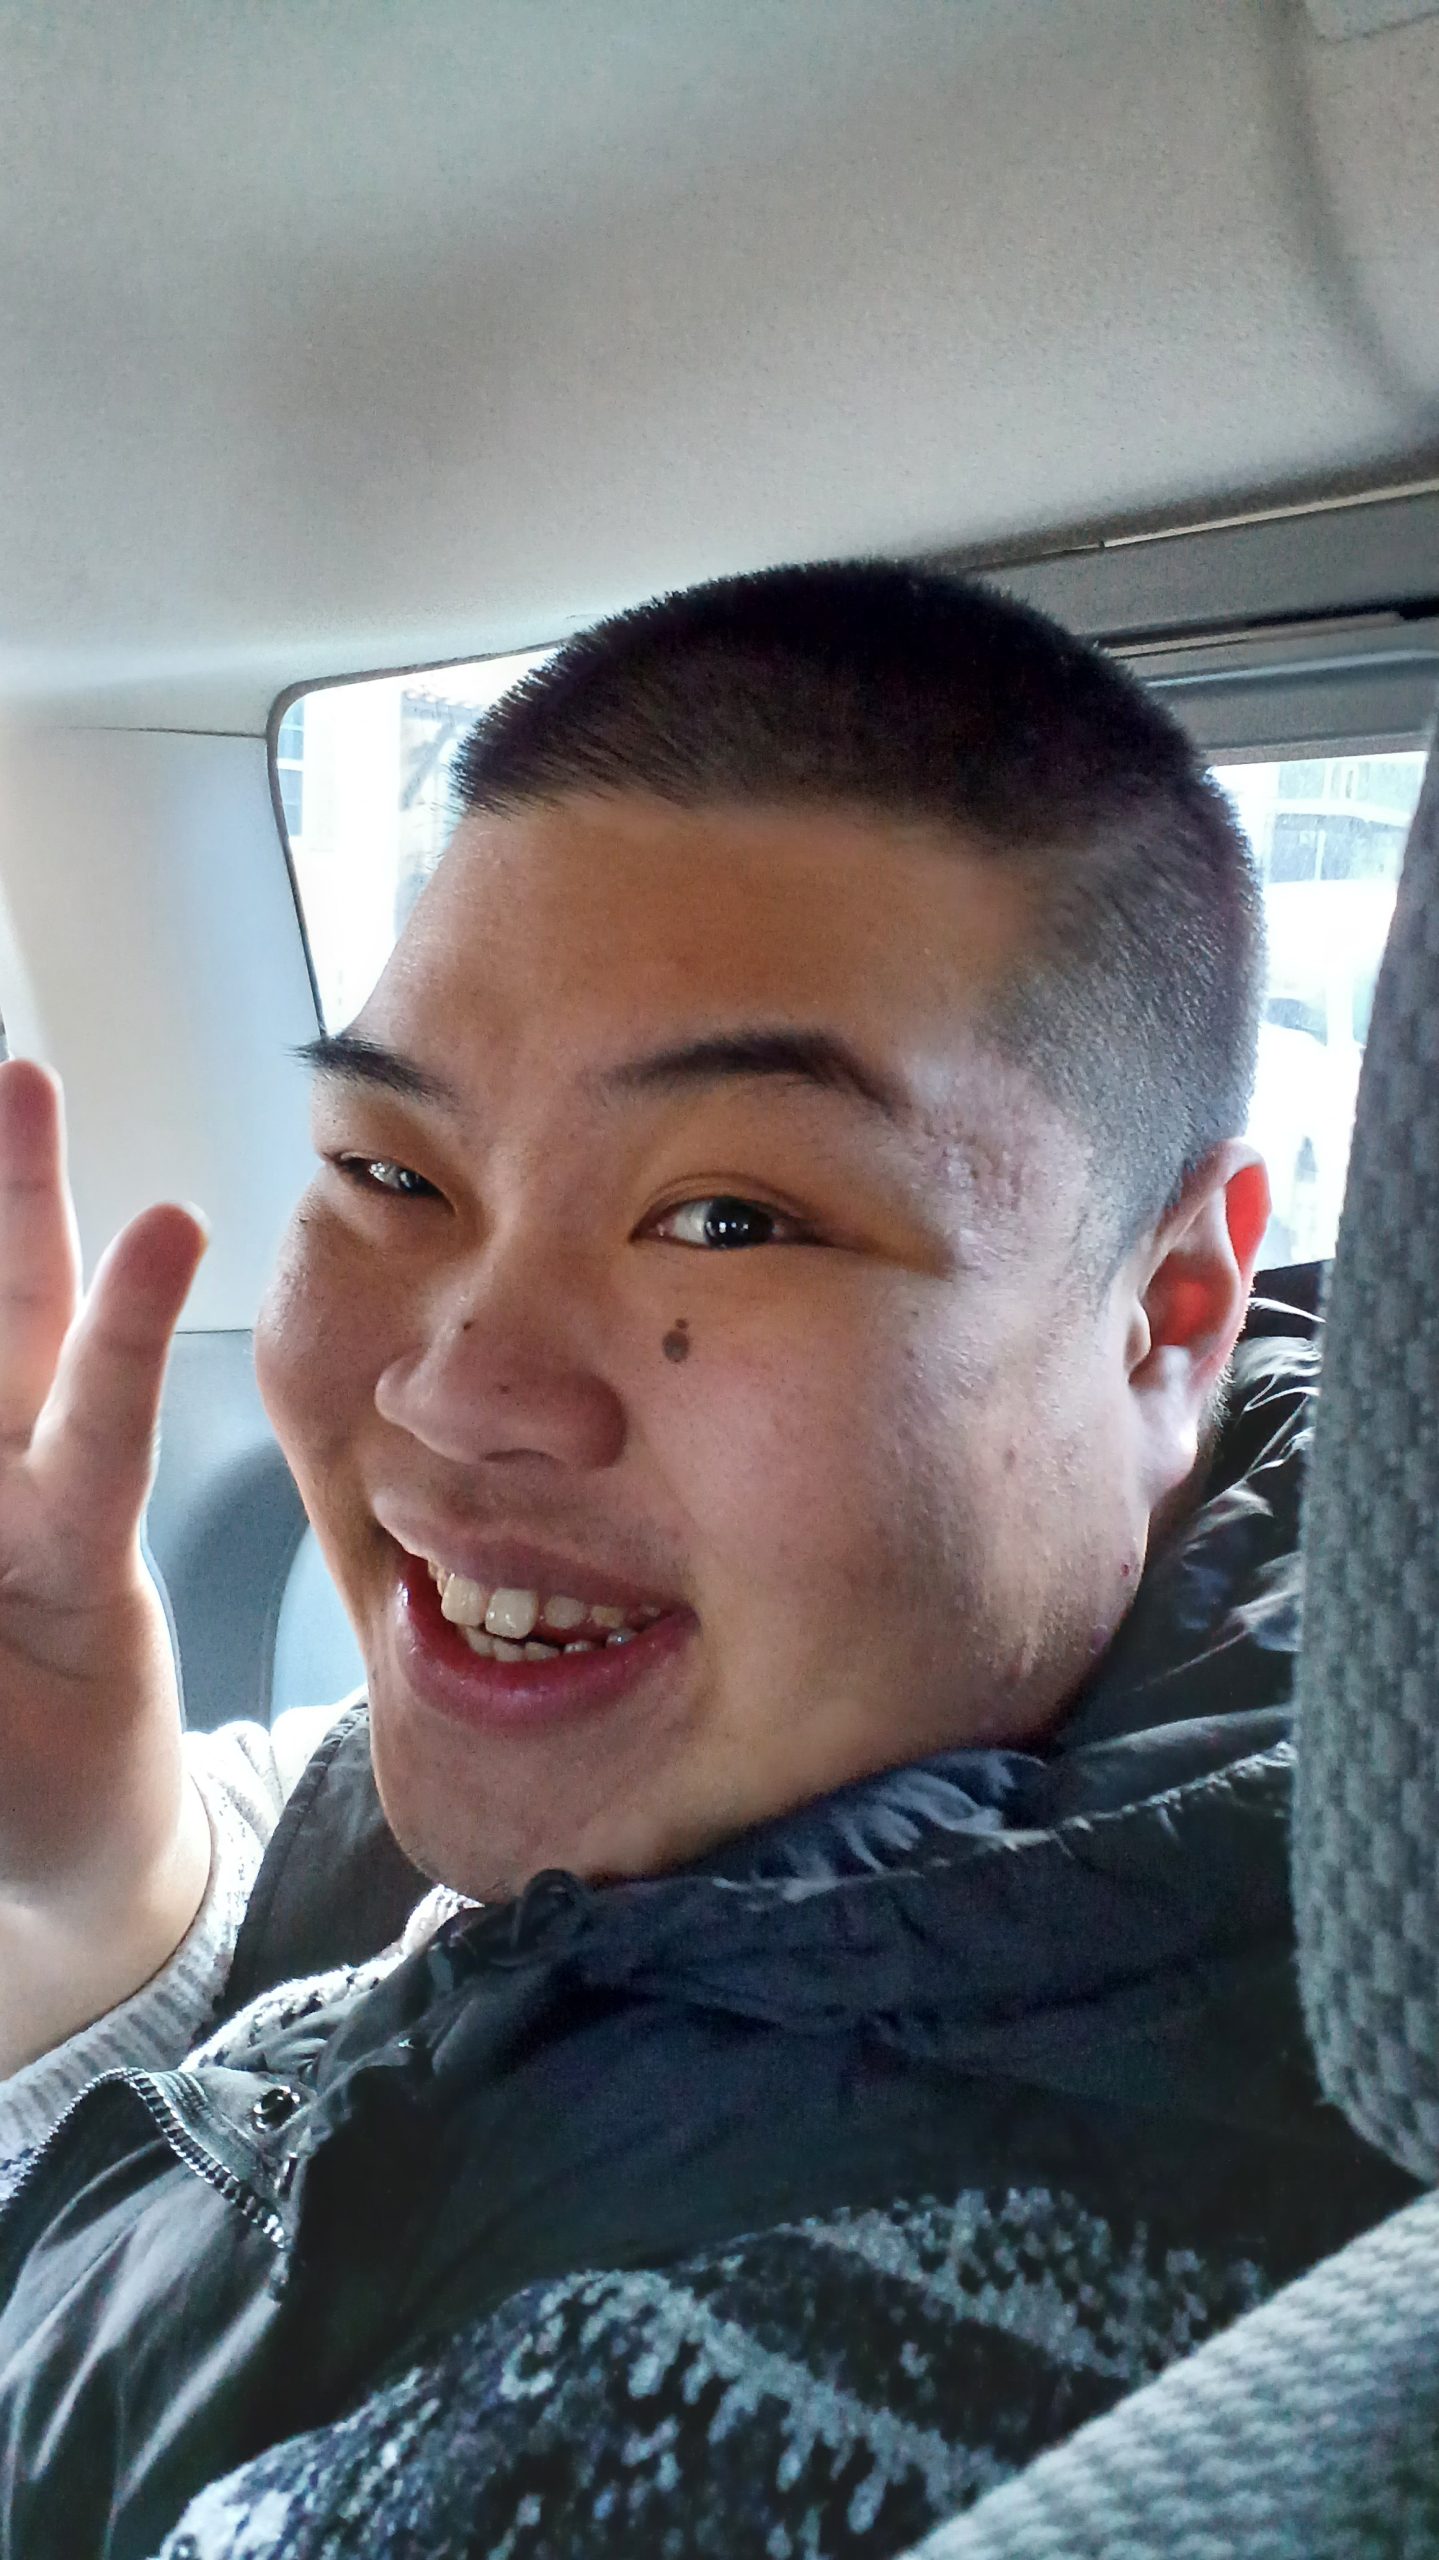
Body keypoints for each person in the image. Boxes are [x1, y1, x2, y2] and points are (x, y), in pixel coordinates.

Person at [0, 562, 1417, 2560]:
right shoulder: (828, 1718)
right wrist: (104, 1873)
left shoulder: (717, 2412)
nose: (457, 1390)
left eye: (731, 1219)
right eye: (392, 1171)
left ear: (1168, 1313)